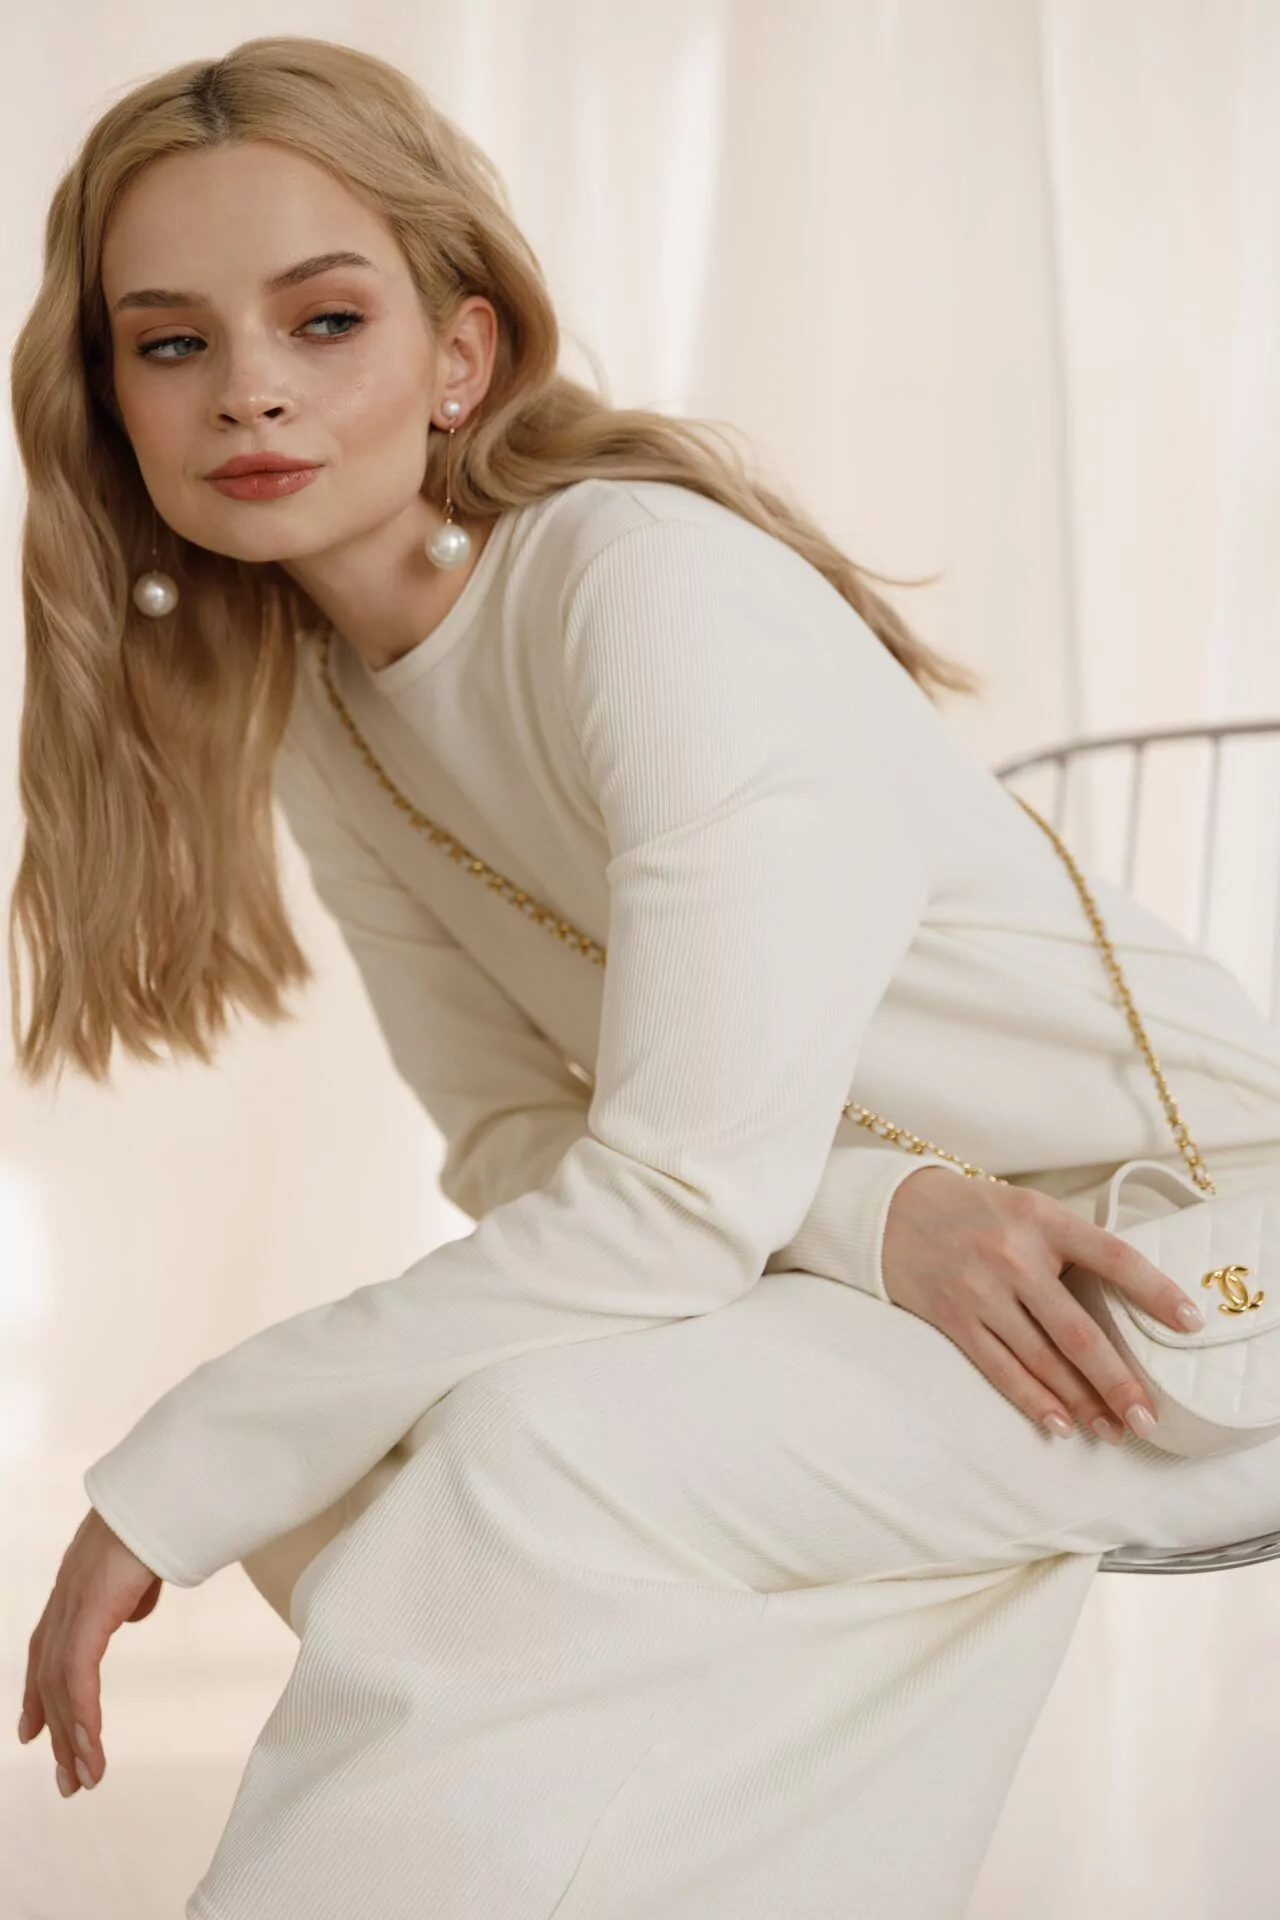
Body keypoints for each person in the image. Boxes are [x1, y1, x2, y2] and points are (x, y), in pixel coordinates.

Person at [10, 33, 1280, 1920]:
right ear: (111, 398)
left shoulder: (642, 586)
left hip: (1182, 1275)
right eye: (172, 341)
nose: (249, 388)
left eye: (325, 320)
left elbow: (677, 1199)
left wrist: (175, 1464)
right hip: (911, 1288)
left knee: (522, 1460)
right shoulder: (332, 716)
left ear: (463, 355)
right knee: (367, 1477)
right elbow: (519, 1139)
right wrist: (880, 1215)